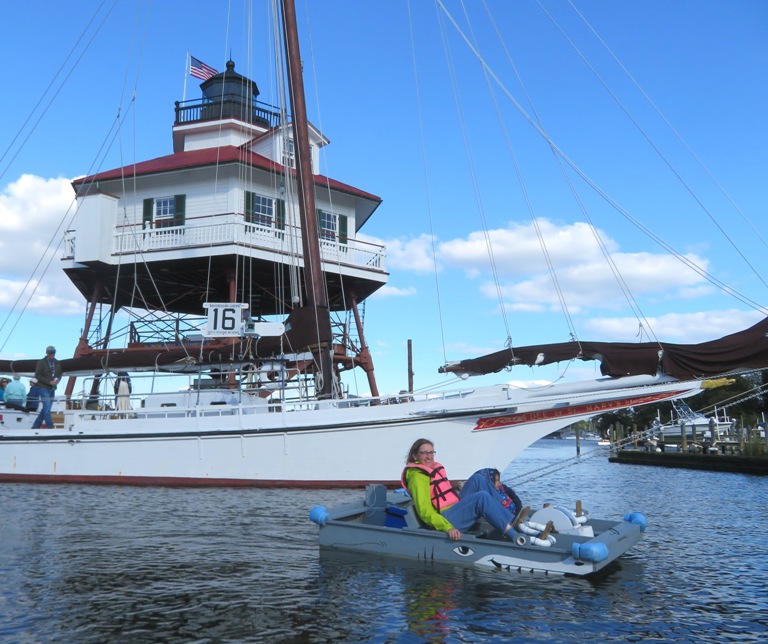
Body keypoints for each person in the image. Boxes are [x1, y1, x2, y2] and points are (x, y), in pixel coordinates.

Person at [401, 438, 518, 541]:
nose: (429, 457)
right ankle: (515, 535)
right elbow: (425, 512)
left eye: (431, 452)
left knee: (477, 479)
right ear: (415, 456)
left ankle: (506, 512)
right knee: (481, 497)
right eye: (424, 453)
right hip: (446, 518)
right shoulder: (417, 477)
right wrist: (448, 527)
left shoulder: (430, 469)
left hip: (454, 508)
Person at [32, 346, 63, 429]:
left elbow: (59, 373)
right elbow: (37, 375)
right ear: (47, 353)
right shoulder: (41, 362)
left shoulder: (57, 362)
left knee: (46, 408)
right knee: (47, 408)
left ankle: (35, 426)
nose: (52, 354)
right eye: (51, 353)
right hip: (43, 387)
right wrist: (49, 382)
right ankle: (50, 426)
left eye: (54, 352)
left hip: (52, 388)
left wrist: (57, 380)